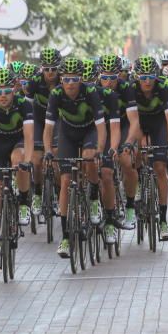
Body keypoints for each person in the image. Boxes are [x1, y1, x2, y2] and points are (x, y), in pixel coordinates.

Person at [44, 56, 106, 257]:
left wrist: (100, 150)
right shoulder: (56, 94)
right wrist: (47, 151)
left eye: (74, 79)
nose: (70, 83)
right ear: (61, 79)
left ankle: (94, 196)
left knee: (88, 159)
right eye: (66, 79)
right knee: (65, 181)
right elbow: (48, 128)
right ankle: (64, 237)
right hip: (67, 134)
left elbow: (101, 127)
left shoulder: (90, 92)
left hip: (89, 131)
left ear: (81, 79)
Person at [0, 68, 34, 269]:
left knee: (18, 160)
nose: (3, 96)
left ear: (15, 90)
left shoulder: (23, 105)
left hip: (17, 142)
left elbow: (29, 137)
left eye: (7, 91)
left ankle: (24, 201)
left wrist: (28, 161)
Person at [126, 55, 168, 241]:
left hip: (158, 123)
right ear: (137, 77)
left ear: (156, 75)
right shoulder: (131, 89)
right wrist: (136, 140)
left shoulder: (163, 87)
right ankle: (138, 183)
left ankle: (162, 220)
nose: (147, 81)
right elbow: (132, 122)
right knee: (137, 151)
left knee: (160, 168)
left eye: (150, 77)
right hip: (137, 122)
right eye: (143, 77)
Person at [97, 54, 137, 234]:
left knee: (126, 162)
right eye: (104, 78)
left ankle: (129, 206)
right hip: (102, 129)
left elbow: (134, 120)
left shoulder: (126, 89)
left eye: (113, 78)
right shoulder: (93, 90)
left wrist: (128, 143)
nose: (108, 82)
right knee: (103, 171)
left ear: (119, 75)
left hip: (123, 125)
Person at [28, 47, 62, 215]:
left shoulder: (64, 81)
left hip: (57, 121)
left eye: (53, 69)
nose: (50, 72)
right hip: (38, 120)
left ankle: (57, 192)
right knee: (36, 161)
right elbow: (25, 106)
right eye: (46, 69)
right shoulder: (35, 81)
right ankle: (37, 194)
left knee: (56, 160)